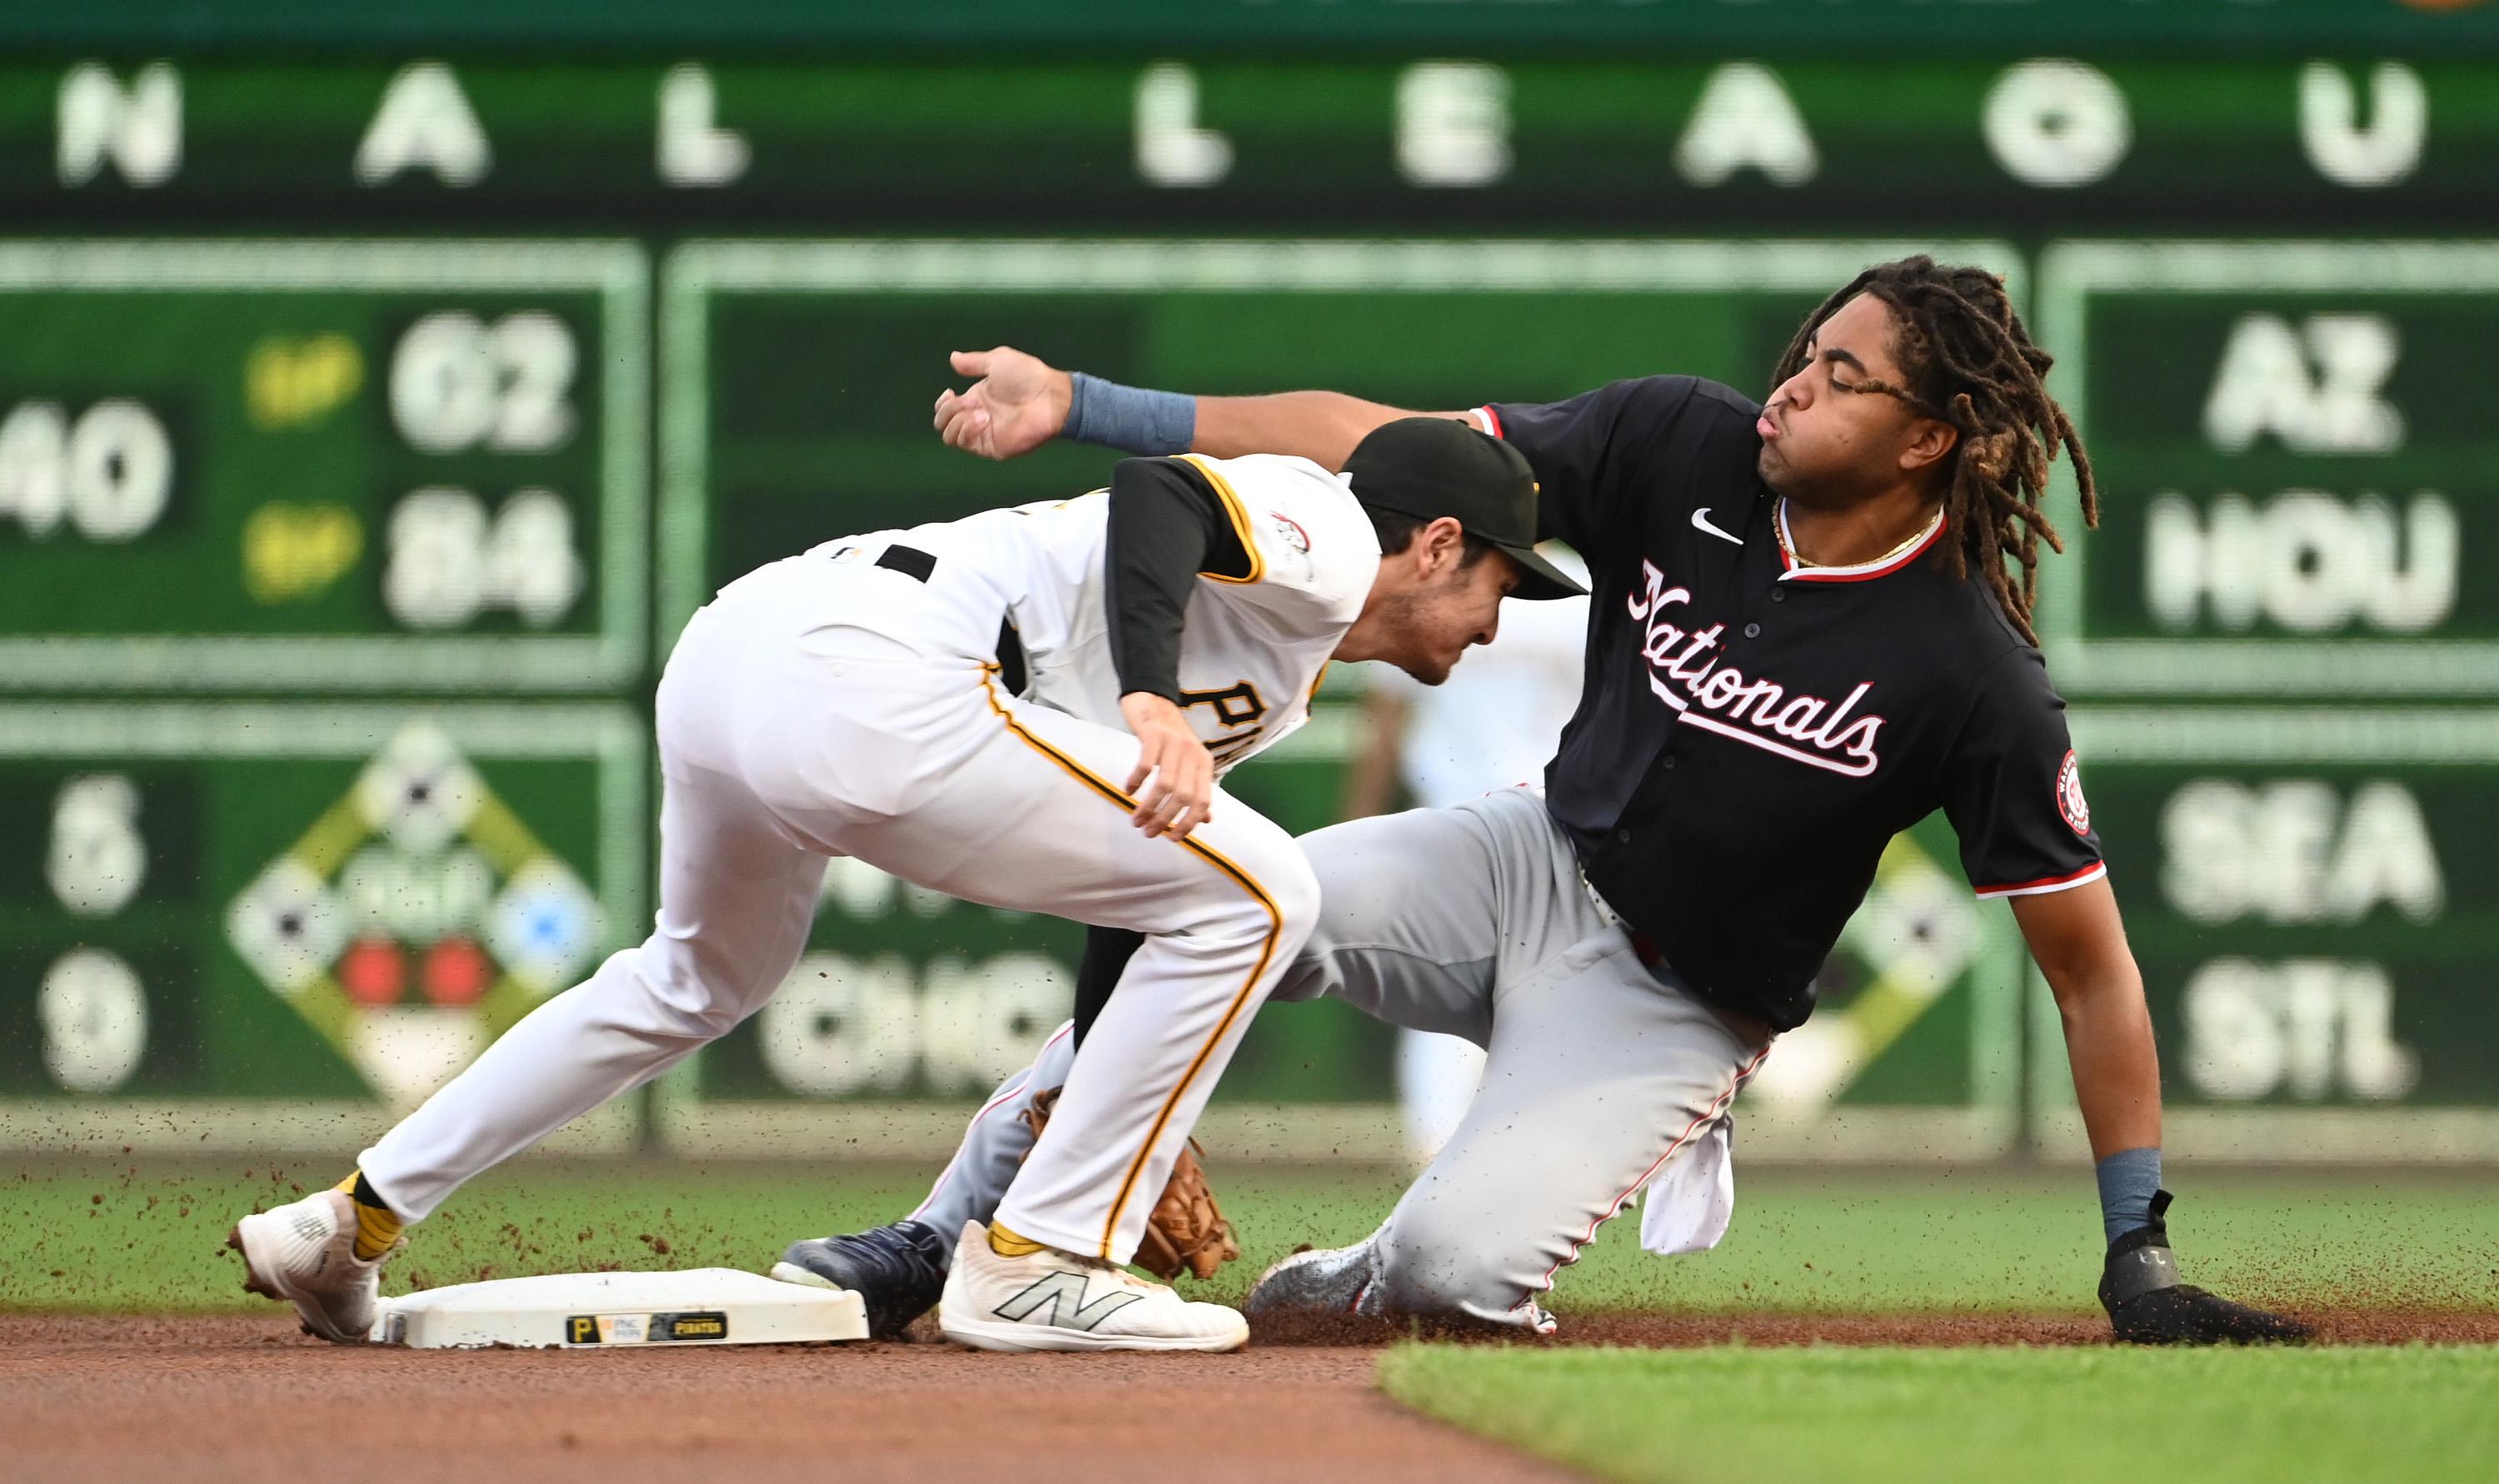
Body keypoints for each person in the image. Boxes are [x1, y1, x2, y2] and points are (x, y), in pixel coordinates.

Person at [779, 256, 2307, 1345]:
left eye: (1848, 377)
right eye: (1807, 348)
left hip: (1674, 1004)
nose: (1797, 384)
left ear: (1929, 439)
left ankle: (1366, 1271)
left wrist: (2140, 1247)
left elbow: (2089, 970)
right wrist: (1093, 402)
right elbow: (1383, 442)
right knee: (1233, 901)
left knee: (1457, 1279)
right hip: (1522, 857)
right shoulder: (1680, 440)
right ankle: (935, 1238)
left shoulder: (1973, 673)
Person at [226, 416, 1582, 1353]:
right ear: (1437, 541)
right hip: (879, 668)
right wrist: (1154, 698)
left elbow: (1141, 904)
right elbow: (1159, 495)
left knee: (696, 975)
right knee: (1270, 885)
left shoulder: (1276, 679)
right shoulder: (1330, 527)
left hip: (739, 658)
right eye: (1500, 586)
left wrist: (1105, 1129)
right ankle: (1041, 1265)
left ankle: (347, 1219)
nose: (1495, 622)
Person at [1339, 544, 1590, 1166]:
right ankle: (1455, 1146)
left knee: (1461, 985)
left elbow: (1384, 727)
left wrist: (1359, 819)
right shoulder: (1421, 584)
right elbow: (1386, 722)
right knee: (1497, 984)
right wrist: (1360, 823)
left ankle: (1463, 1146)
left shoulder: (1575, 585)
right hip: (1489, 818)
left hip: (1532, 817)